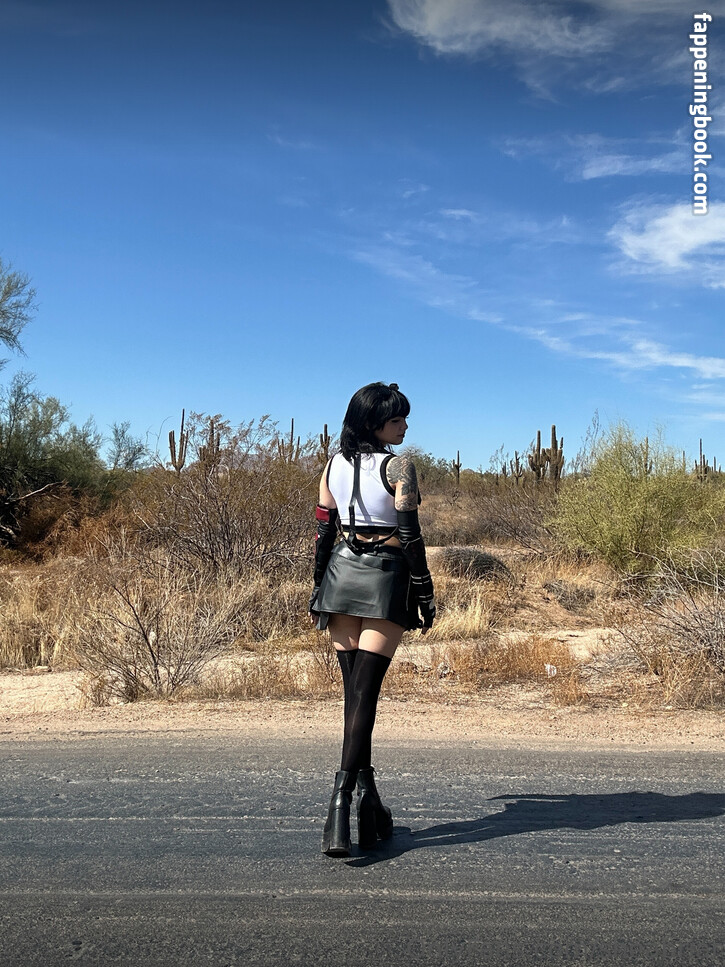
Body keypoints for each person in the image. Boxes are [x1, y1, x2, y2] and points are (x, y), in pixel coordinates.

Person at [309, 382, 436, 857]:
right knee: (365, 696)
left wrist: (318, 585)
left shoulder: (332, 464)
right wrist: (424, 590)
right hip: (385, 577)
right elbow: (410, 534)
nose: (405, 426)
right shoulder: (399, 466)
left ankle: (370, 806)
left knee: (355, 699)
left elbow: (324, 529)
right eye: (397, 419)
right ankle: (339, 804)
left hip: (340, 576)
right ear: (374, 423)